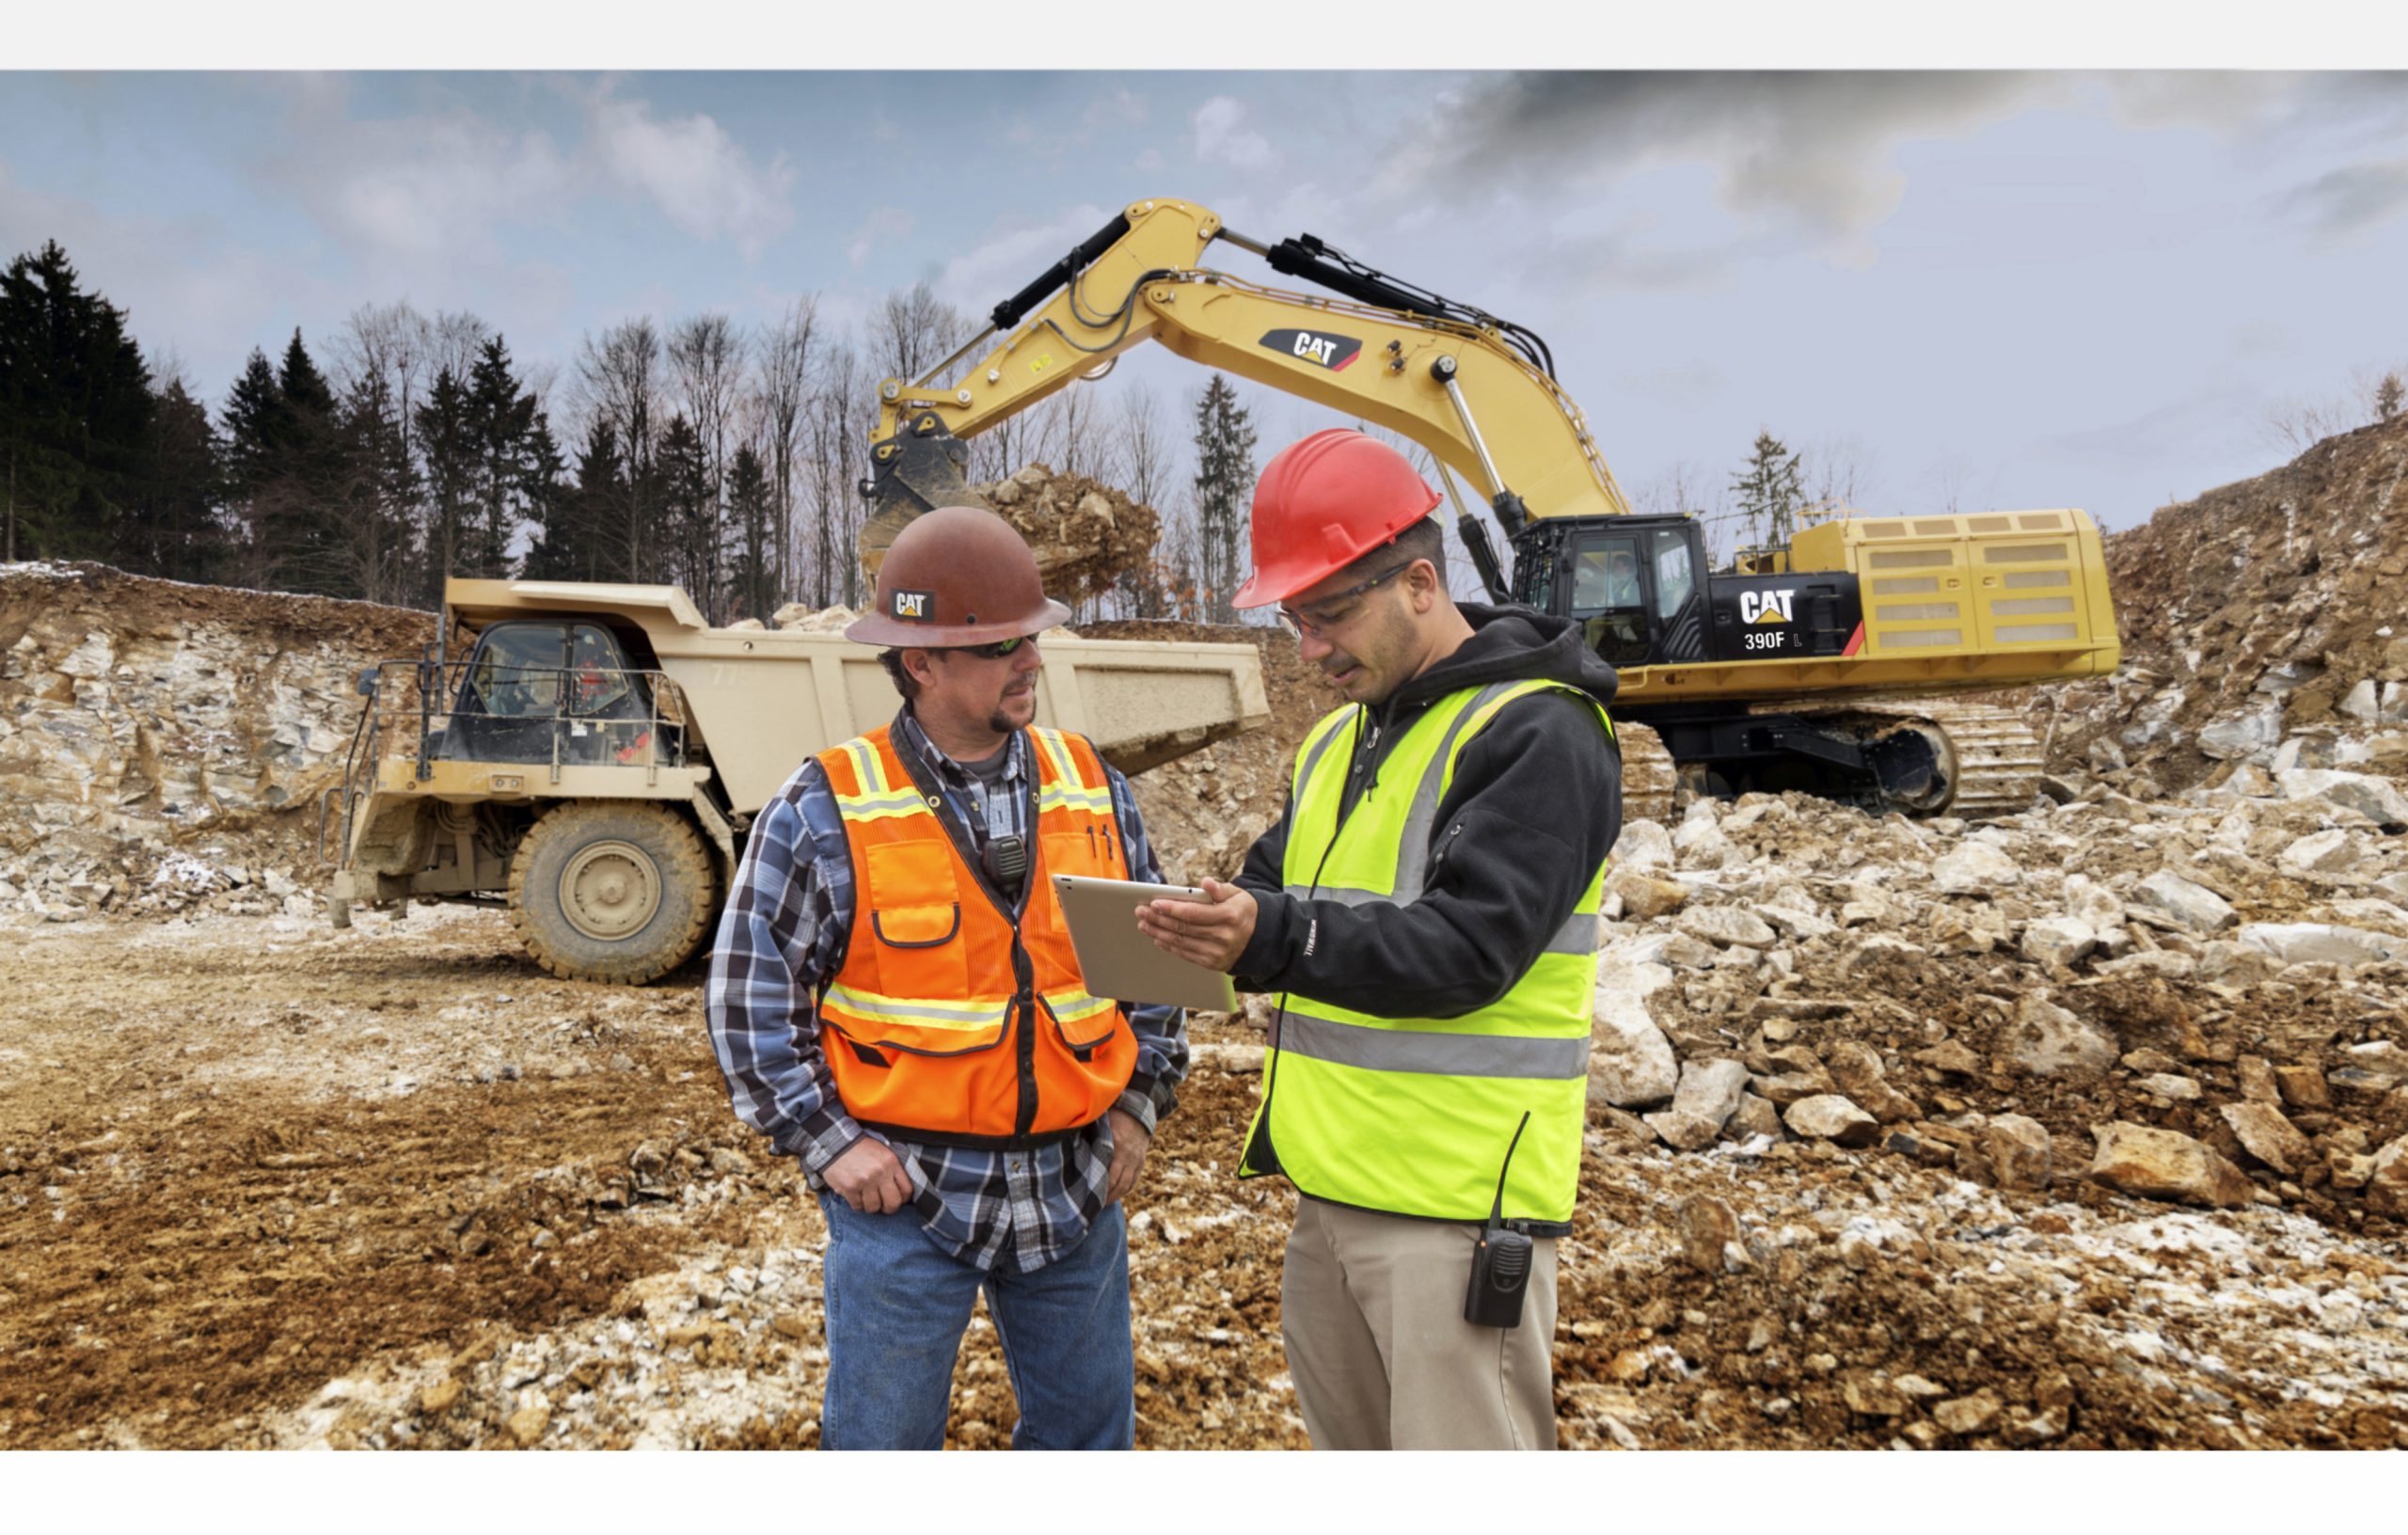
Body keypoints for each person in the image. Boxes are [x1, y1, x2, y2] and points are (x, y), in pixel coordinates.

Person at [1136, 429, 1622, 1451]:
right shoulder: (1338, 741)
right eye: (1293, 620)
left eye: (1328, 615)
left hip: (1453, 1210)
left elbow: (1467, 950)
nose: (1307, 649)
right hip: (1331, 1191)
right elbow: (1270, 892)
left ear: (1416, 583)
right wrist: (1187, 926)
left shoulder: (1538, 731)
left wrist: (1264, 935)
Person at [707, 504, 1188, 1451]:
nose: (1032, 661)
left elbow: (1154, 967)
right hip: (904, 1204)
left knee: (1088, 1449)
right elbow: (749, 1004)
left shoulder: (1090, 783)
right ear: (919, 662)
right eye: (1001, 643)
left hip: (1074, 1186)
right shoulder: (826, 807)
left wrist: (1138, 1105)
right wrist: (829, 1143)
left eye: (1032, 636)